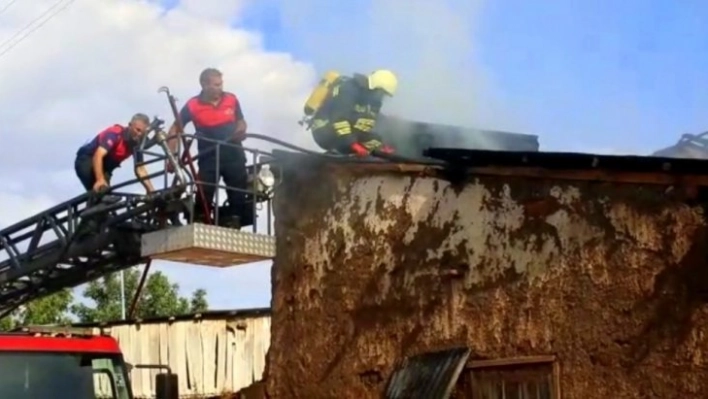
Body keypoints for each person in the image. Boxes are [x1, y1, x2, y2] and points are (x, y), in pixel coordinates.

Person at [166, 67, 248, 227]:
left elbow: (241, 120)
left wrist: (241, 128)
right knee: (205, 190)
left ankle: (235, 221)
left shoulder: (231, 99)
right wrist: (172, 157)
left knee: (239, 190)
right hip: (209, 157)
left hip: (234, 154)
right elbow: (175, 129)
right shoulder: (193, 105)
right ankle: (199, 220)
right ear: (204, 85)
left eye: (220, 84)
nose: (219, 88)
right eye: (215, 85)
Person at [308, 69, 398, 157]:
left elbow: (374, 119)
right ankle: (338, 152)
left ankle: (349, 150)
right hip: (324, 130)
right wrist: (354, 145)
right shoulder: (349, 89)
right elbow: (339, 119)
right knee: (355, 125)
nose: (381, 96)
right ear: (376, 86)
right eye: (382, 92)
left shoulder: (373, 100)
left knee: (376, 140)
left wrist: (384, 145)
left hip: (346, 134)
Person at [75, 113, 155, 195]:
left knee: (106, 196)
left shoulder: (137, 143)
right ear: (130, 125)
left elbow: (140, 169)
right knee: (101, 193)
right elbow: (98, 155)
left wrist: (151, 190)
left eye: (142, 132)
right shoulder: (115, 133)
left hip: (105, 168)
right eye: (137, 130)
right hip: (87, 160)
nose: (139, 134)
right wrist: (100, 180)